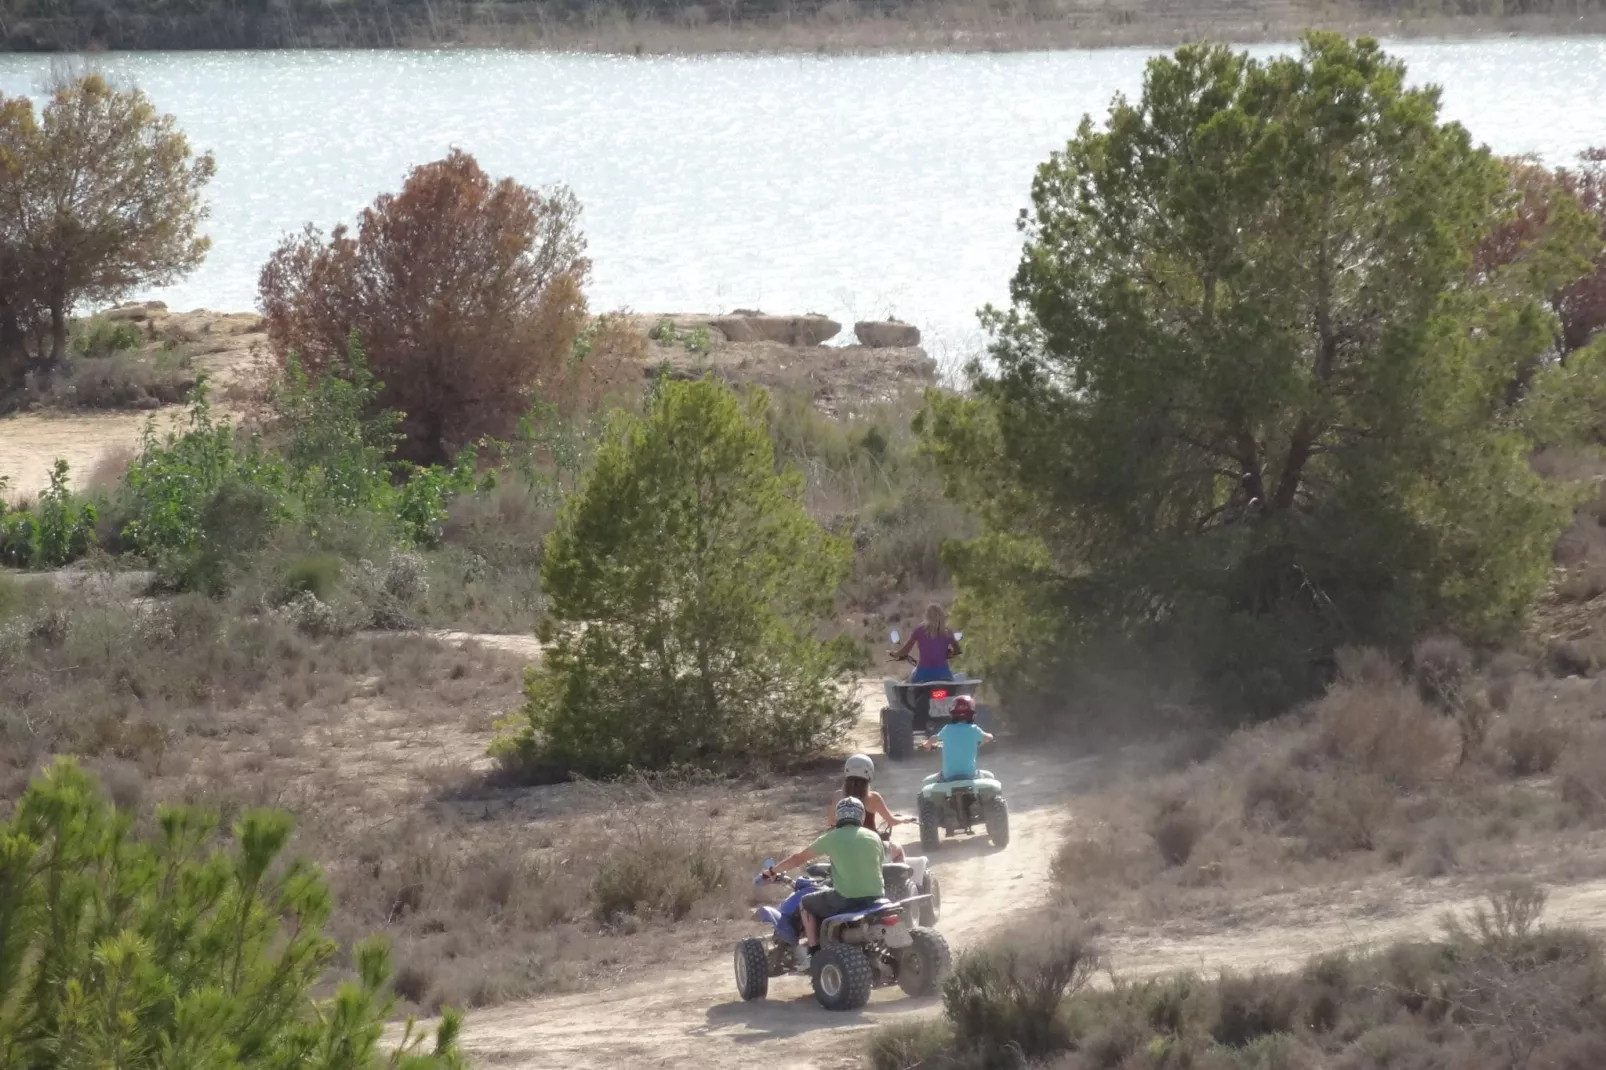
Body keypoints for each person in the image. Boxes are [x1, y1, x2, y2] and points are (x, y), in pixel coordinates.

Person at [767, 796, 886, 959]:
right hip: (876, 896)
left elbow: (798, 858)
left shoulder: (831, 837)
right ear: (861, 815)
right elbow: (878, 866)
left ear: (838, 816)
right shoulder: (874, 837)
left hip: (847, 898)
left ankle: (814, 951)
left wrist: (773, 870)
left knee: (805, 903)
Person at [831, 753, 910, 863]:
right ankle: (900, 878)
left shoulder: (837, 796)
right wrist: (904, 819)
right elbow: (891, 821)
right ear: (870, 773)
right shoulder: (873, 797)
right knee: (897, 847)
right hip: (871, 847)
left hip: (845, 848)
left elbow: (831, 821)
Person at [919, 697, 993, 781]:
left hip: (948, 777)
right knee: (990, 776)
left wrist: (927, 745)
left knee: (927, 780)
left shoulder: (947, 729)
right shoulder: (974, 729)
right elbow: (989, 737)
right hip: (970, 775)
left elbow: (933, 738)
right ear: (972, 714)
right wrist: (981, 742)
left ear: (952, 714)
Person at [893, 603, 961, 685]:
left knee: (909, 688)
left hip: (923, 673)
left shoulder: (919, 630)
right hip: (943, 673)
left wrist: (895, 654)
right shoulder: (947, 631)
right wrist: (949, 654)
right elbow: (958, 650)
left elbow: (906, 650)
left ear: (927, 616)